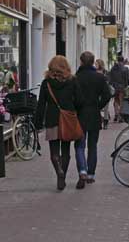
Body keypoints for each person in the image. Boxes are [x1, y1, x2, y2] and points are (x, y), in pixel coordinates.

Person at [34, 56, 80, 191]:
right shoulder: (72, 81)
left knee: (54, 151)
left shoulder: (46, 83)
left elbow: (41, 104)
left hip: (52, 119)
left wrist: (37, 124)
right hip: (67, 119)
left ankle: (58, 171)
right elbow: (79, 100)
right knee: (66, 150)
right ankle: (63, 176)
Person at [73, 52, 112, 188]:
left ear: (81, 62)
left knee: (79, 145)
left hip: (80, 115)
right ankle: (90, 174)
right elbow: (107, 95)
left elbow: (73, 98)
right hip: (94, 114)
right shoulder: (99, 78)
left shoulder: (76, 78)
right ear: (93, 62)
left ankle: (82, 170)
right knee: (92, 146)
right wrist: (98, 106)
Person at [108, 56, 129, 123]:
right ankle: (120, 116)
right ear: (123, 61)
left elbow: (110, 78)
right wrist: (125, 85)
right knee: (121, 102)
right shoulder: (125, 68)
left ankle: (116, 114)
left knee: (115, 101)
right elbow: (127, 79)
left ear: (117, 60)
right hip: (121, 87)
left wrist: (112, 85)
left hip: (115, 87)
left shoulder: (113, 68)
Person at [95, 59, 111, 130]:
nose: (95, 65)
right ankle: (101, 121)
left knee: (106, 108)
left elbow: (108, 81)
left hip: (104, 92)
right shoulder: (94, 72)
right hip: (97, 92)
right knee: (99, 107)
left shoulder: (106, 72)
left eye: (96, 64)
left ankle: (105, 122)